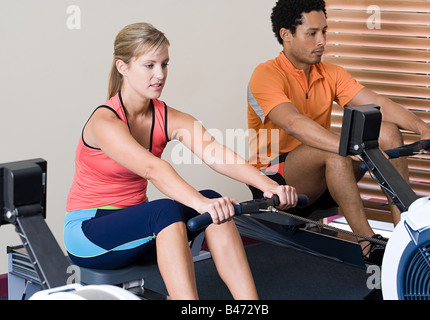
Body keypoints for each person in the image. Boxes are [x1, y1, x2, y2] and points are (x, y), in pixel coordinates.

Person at [64, 22, 297, 300]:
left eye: (164, 64)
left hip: (138, 226)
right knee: (170, 209)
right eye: (149, 65)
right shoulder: (105, 122)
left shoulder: (167, 116)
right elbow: (153, 168)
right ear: (123, 68)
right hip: (90, 232)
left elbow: (214, 152)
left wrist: (267, 185)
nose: (160, 74)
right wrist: (200, 205)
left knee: (212, 198)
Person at [247, 0, 430, 264]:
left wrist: (423, 128)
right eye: (312, 34)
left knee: (385, 131)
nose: (322, 41)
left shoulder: (330, 73)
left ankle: (405, 235)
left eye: (324, 32)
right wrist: (350, 148)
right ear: (286, 35)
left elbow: (379, 104)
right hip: (274, 179)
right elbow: (294, 124)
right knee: (335, 150)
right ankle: (369, 246)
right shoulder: (265, 74)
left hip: (327, 172)